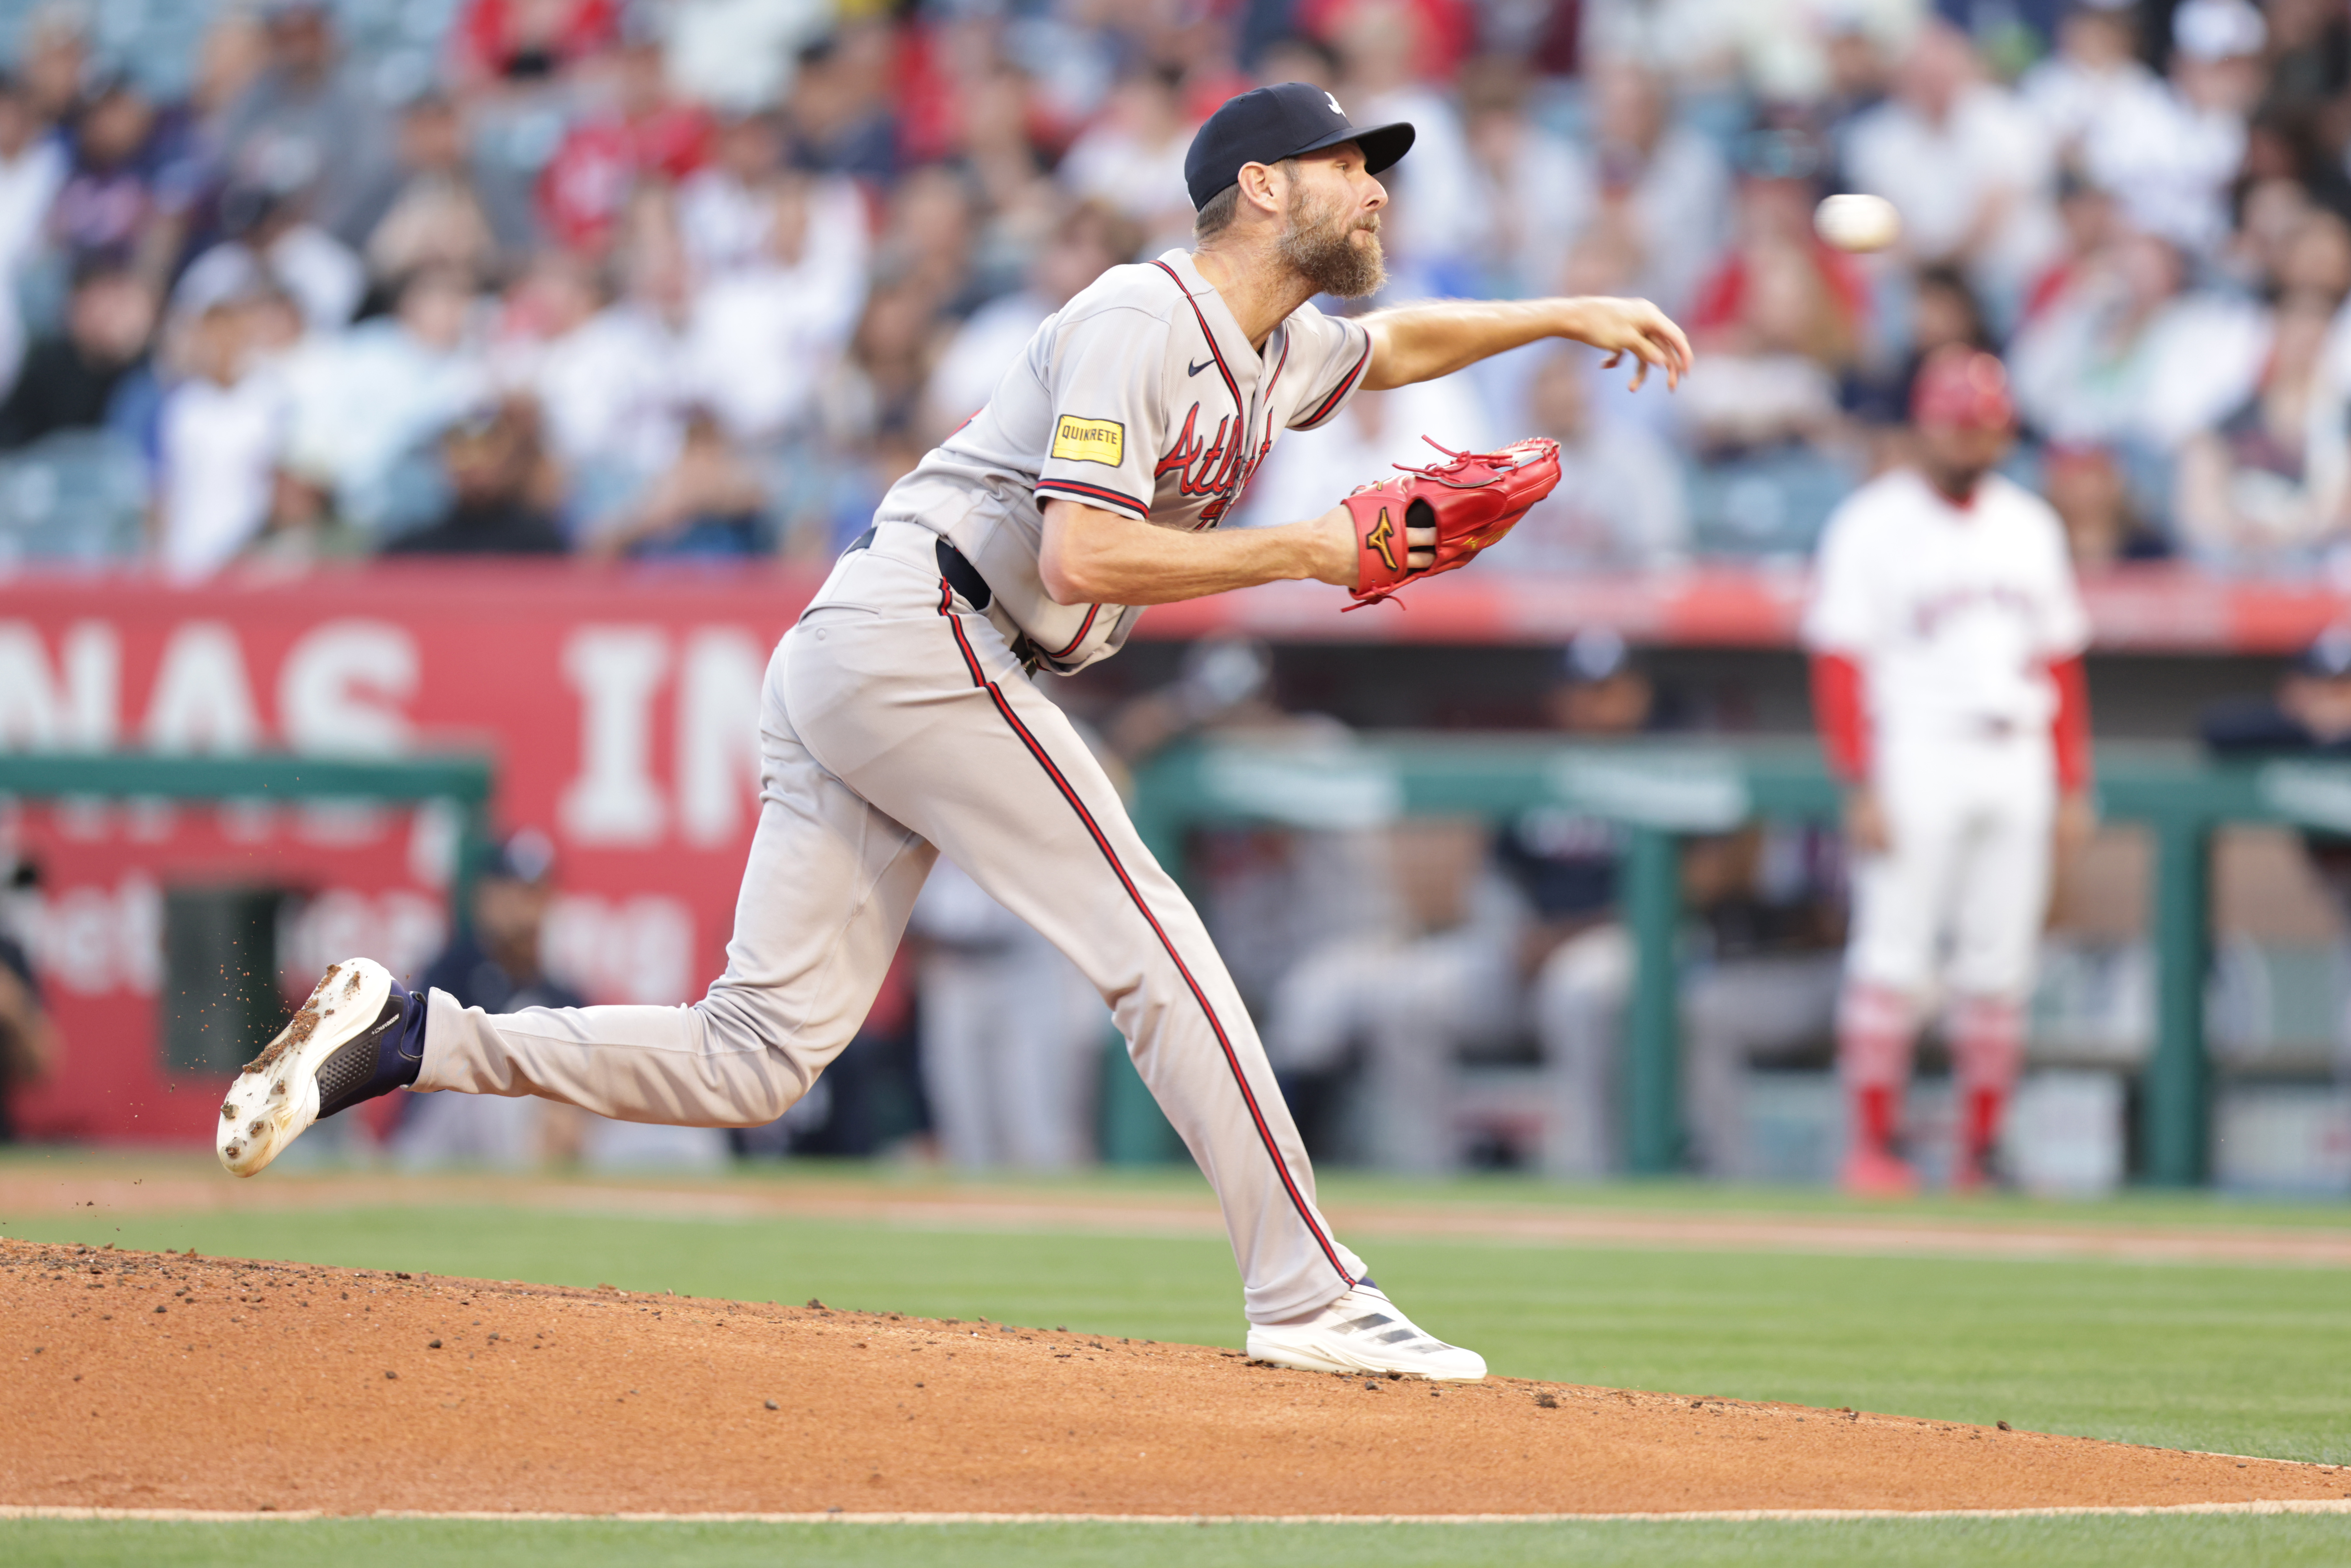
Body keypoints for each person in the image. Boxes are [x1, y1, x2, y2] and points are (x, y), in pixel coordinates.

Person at [218, 82, 1691, 1383]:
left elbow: (1392, 344)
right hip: (930, 628)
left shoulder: (1270, 348)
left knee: (753, 1056)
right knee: (1156, 940)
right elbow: (1082, 556)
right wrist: (1313, 549)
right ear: (1261, 186)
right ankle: (1309, 1293)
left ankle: (410, 1034)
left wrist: (1563, 312)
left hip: (881, 649)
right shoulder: (1141, 318)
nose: (1374, 188)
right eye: (1349, 164)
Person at [1804, 347, 2095, 1196]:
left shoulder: (2029, 523)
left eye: (1983, 427)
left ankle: (1981, 1152)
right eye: (1956, 425)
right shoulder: (1871, 521)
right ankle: (1871, 1147)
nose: (1969, 441)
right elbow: (1839, 661)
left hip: (2016, 748)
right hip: (1916, 746)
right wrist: (1858, 779)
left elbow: (2059, 659)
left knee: (1998, 963)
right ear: (1924, 425)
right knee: (1891, 954)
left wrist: (2071, 780)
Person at [392, 831, 585, 1169]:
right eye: (514, 891)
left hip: (524, 1144)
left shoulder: (562, 994)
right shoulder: (451, 975)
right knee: (507, 1082)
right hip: (434, 1140)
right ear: (487, 897)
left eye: (535, 893)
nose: (526, 908)